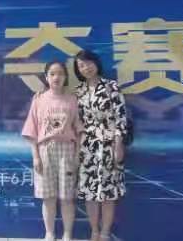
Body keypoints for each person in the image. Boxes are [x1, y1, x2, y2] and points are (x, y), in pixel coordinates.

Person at [22, 61, 83, 241]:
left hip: (67, 151)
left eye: (61, 74)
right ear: (46, 77)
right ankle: (49, 233)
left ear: (66, 77)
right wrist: (35, 157)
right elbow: (32, 130)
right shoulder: (38, 100)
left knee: (67, 197)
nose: (57, 77)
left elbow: (79, 129)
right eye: (52, 74)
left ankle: (67, 233)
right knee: (48, 197)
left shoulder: (72, 99)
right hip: (45, 151)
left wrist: (77, 154)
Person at [74, 50, 128, 241]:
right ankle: (94, 231)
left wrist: (118, 145)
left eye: (88, 63)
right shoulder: (78, 91)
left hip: (108, 146)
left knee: (108, 193)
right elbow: (75, 120)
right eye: (81, 66)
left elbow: (121, 118)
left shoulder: (111, 87)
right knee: (90, 193)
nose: (86, 68)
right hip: (87, 148)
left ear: (96, 63)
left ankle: (105, 232)